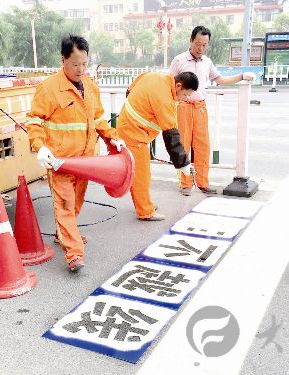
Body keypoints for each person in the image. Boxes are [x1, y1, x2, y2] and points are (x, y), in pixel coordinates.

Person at [25, 35, 125, 273]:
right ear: (63, 60)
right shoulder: (49, 88)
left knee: (76, 203)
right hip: (60, 161)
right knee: (65, 206)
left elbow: (98, 118)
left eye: (84, 64)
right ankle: (74, 254)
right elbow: (34, 120)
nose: (80, 69)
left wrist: (112, 136)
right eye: (75, 64)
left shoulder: (90, 87)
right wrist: (40, 147)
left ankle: (64, 235)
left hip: (85, 162)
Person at [169, 25, 255, 196]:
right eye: (198, 44)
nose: (200, 48)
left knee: (202, 146)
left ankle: (202, 182)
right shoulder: (179, 61)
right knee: (183, 144)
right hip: (183, 107)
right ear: (191, 41)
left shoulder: (207, 62)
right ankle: (185, 183)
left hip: (200, 107)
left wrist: (241, 76)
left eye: (204, 45)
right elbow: (169, 84)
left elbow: (220, 79)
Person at [116, 71, 196, 221]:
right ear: (178, 86)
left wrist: (140, 107)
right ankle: (145, 211)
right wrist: (183, 164)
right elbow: (171, 135)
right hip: (133, 134)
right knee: (141, 175)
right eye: (185, 95)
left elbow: (130, 89)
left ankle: (146, 203)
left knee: (142, 171)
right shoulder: (165, 100)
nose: (184, 99)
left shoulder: (156, 76)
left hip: (130, 126)